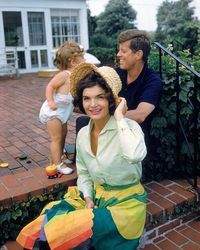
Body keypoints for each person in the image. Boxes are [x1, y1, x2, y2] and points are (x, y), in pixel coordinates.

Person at [17, 63, 147, 250]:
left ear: (111, 100)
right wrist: (87, 197)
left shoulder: (128, 128)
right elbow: (84, 173)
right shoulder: (83, 134)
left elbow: (135, 155)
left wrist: (120, 117)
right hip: (94, 199)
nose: (92, 105)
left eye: (100, 97)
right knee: (47, 219)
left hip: (125, 206)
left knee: (66, 232)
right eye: (87, 98)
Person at [74, 29, 163, 162]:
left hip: (132, 135)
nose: (118, 54)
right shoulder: (116, 74)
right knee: (82, 121)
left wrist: (107, 115)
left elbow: (140, 115)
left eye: (123, 51)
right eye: (119, 50)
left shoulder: (152, 80)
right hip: (108, 126)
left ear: (138, 54)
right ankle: (87, 165)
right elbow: (91, 92)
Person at [39, 41, 85, 174]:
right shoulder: (64, 75)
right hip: (54, 112)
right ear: (72, 61)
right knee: (56, 138)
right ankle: (58, 164)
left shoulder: (75, 76)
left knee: (63, 135)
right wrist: (50, 100)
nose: (84, 59)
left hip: (62, 114)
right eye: (81, 57)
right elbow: (50, 86)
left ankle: (60, 157)